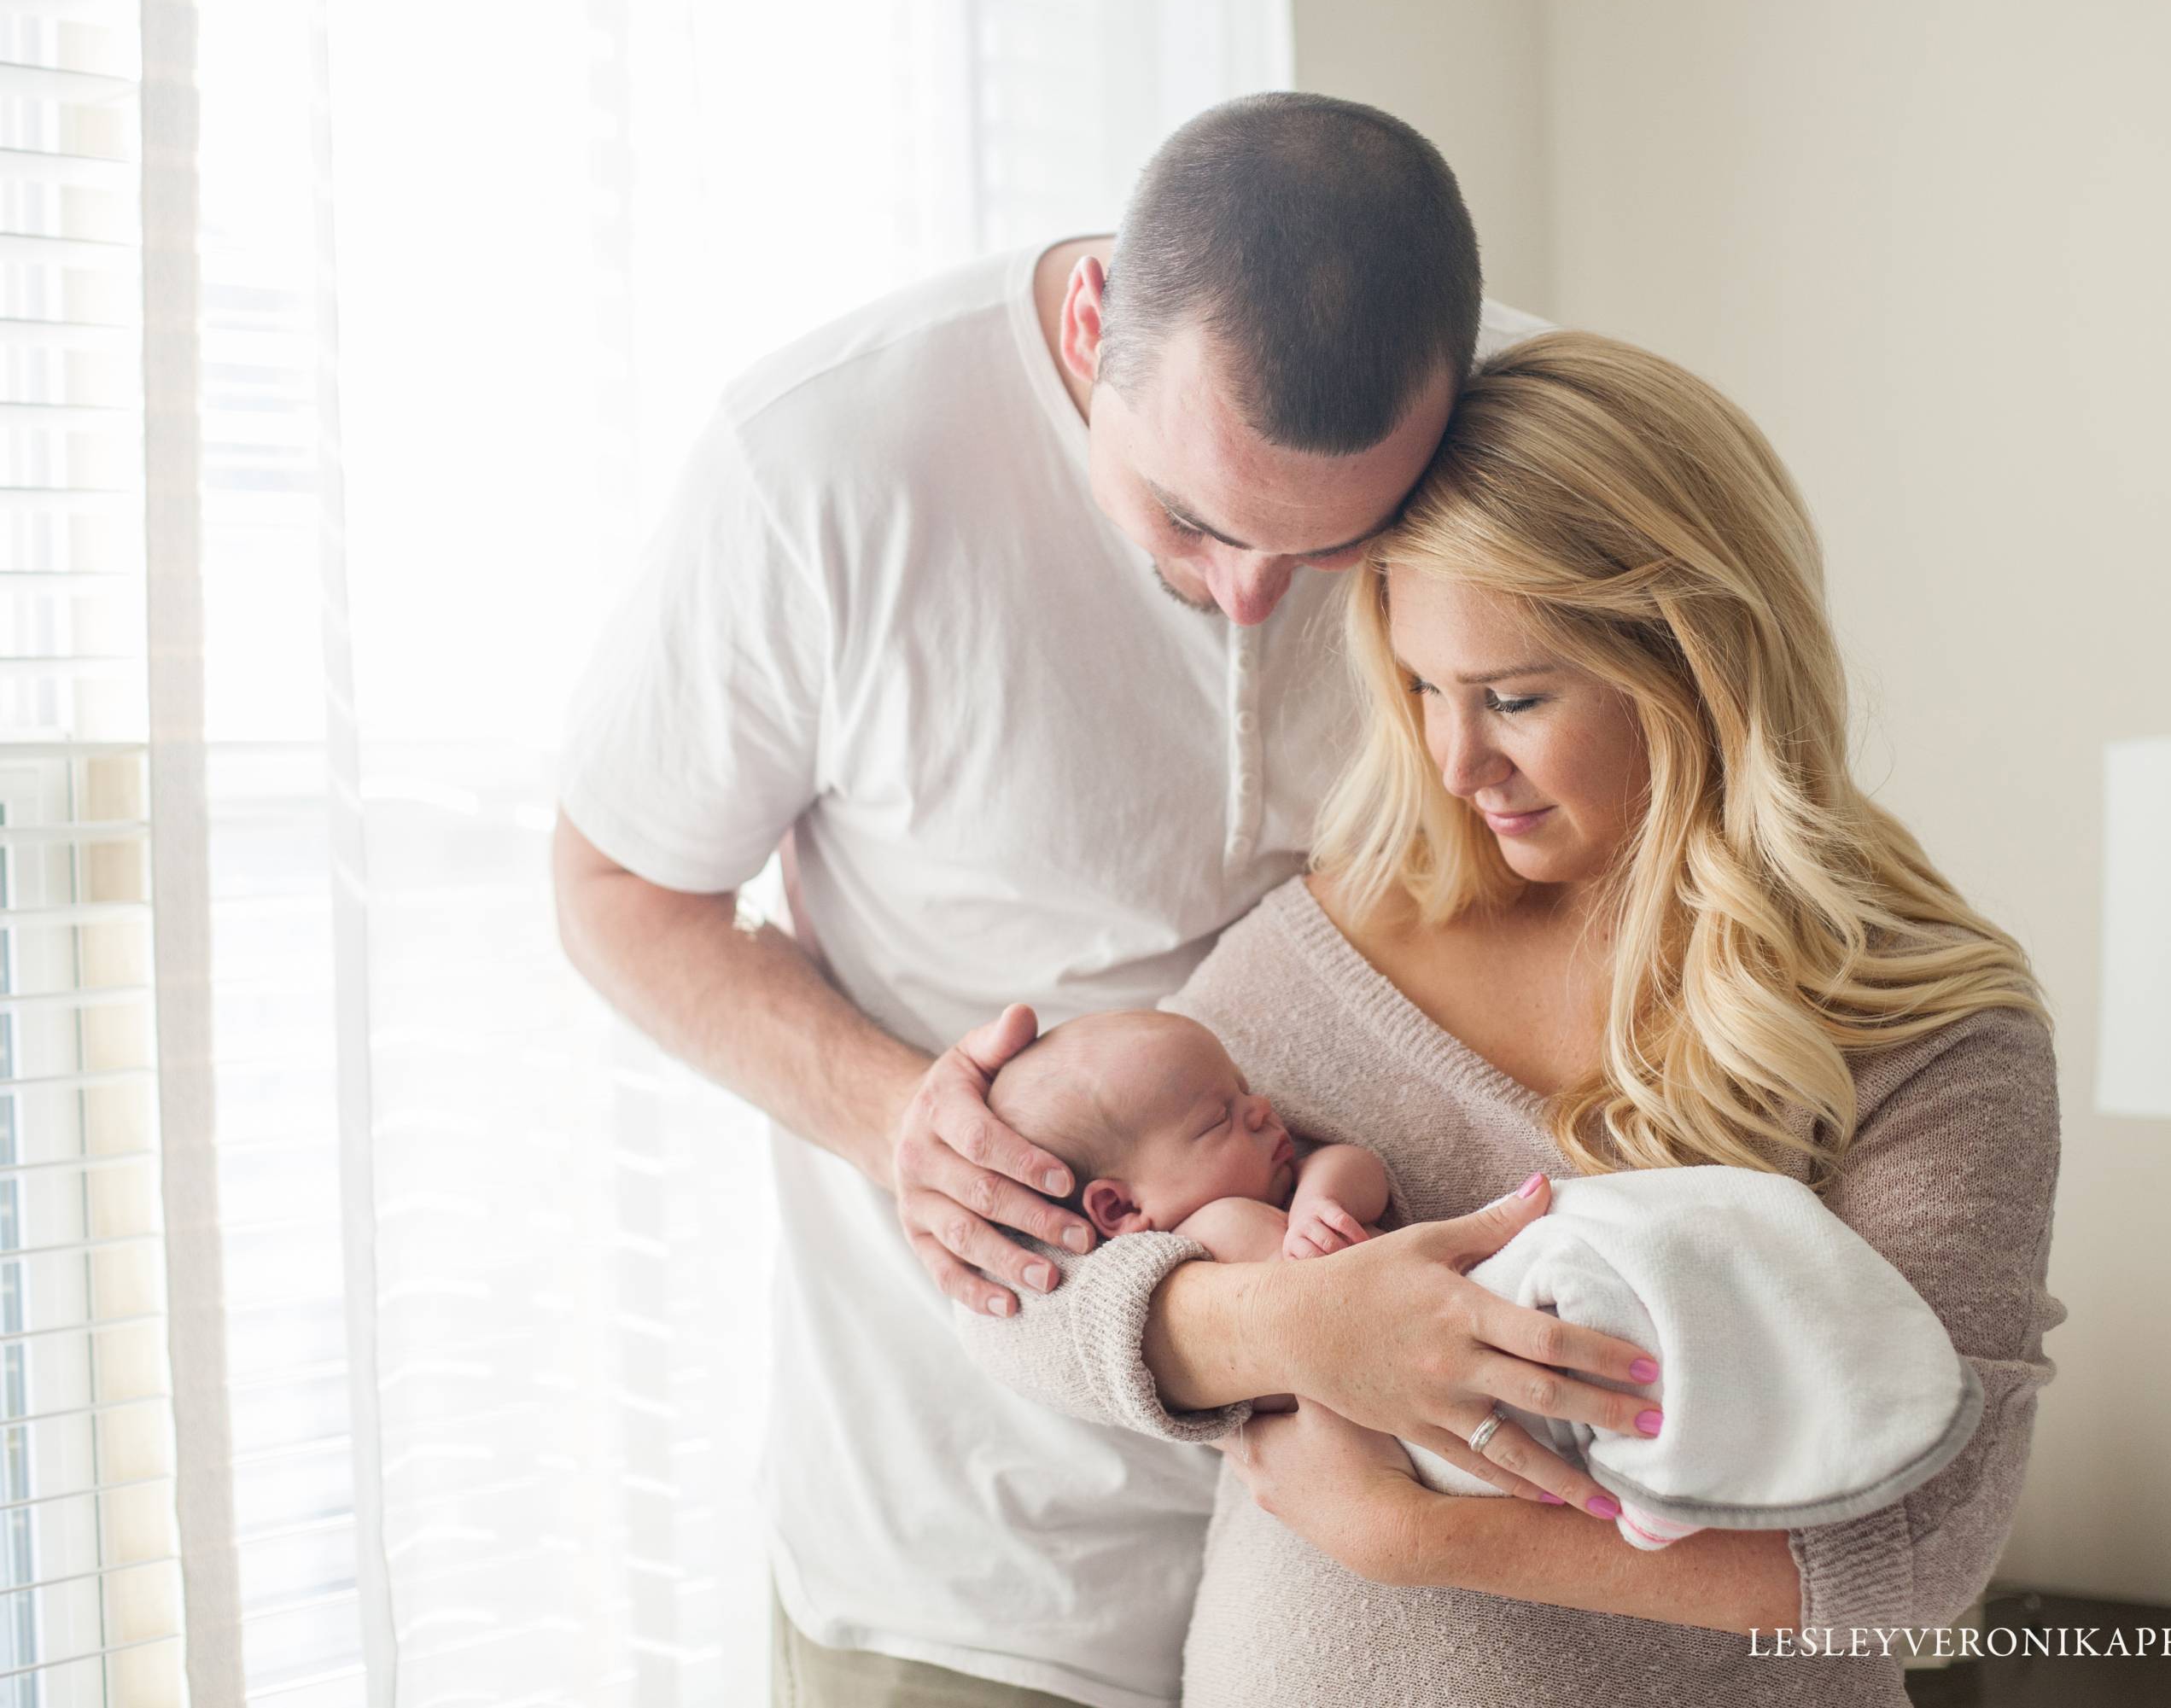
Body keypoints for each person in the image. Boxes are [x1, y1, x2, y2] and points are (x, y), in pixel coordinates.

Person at [550, 90, 1551, 1707]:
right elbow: (613, 882)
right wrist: (902, 1124)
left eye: (1335, 545)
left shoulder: (1531, 436)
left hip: (1396, 1575)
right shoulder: (820, 463)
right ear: (1093, 326)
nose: (1250, 596)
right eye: (1194, 518)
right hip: (977, 1567)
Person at [960, 330, 2067, 1706]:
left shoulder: (1919, 1022)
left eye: (1514, 697)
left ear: (1699, 664)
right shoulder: (1336, 946)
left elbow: (1919, 1551)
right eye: (1421, 686)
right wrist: (1295, 1330)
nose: (1452, 758)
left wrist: (1413, 1534)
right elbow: (1021, 1292)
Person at [986, 1008, 1392, 1262]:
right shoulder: (1184, 1255)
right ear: (1119, 1208)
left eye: (1244, 1091)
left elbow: (1363, 1169)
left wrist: (1319, 1201)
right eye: (1218, 1120)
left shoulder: (1296, 1187)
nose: (1261, 1109)